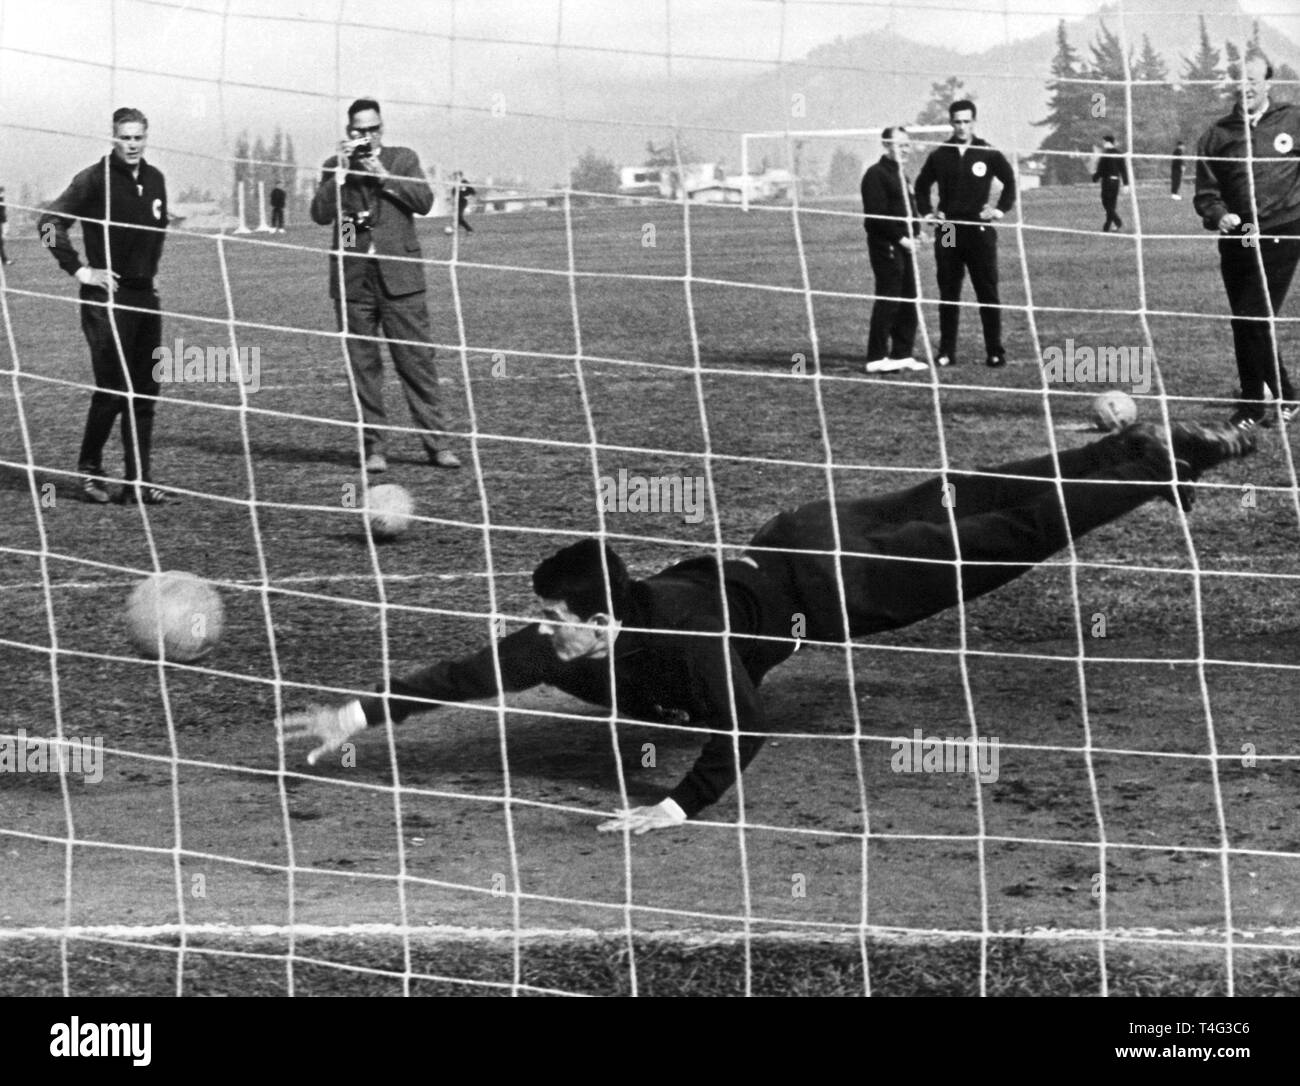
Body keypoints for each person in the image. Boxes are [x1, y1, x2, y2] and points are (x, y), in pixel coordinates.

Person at [281, 420, 1254, 834]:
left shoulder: (685, 644)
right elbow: (458, 676)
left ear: (598, 621)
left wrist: (668, 809)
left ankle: (1151, 465)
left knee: (1007, 535)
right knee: (975, 494)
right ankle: (1138, 452)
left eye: (554, 617)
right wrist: (355, 718)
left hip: (840, 580)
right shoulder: (572, 639)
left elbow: (743, 730)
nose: (540, 630)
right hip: (798, 533)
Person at [309, 98, 459, 473]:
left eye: (373, 129)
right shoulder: (335, 166)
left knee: (417, 363)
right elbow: (322, 216)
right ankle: (374, 447)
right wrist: (340, 174)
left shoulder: (403, 158)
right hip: (355, 281)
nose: (367, 136)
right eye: (360, 131)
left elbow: (424, 202)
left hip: (401, 279)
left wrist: (385, 178)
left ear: (382, 128)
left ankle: (437, 444)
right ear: (348, 133)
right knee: (364, 367)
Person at [38, 107, 171, 505]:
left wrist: (149, 271)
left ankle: (138, 482)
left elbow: (155, 230)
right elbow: (47, 224)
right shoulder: (94, 179)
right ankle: (90, 469)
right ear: (113, 138)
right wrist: (80, 271)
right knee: (114, 389)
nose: (131, 144)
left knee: (146, 391)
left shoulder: (156, 179)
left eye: (138, 137)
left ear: (146, 138)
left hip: (144, 297)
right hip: (105, 298)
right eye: (124, 137)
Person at [1193, 52, 1300, 430]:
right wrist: (1219, 214)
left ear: (1268, 82)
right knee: (1244, 320)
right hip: (1238, 237)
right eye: (1240, 80)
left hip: (1283, 231)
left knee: (1251, 314)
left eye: (1254, 79)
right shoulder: (1216, 134)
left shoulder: (1293, 119)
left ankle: (1285, 396)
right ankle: (1253, 405)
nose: (1247, 87)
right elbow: (1205, 193)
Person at [914, 100, 1017, 368]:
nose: (962, 126)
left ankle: (995, 351)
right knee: (948, 290)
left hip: (978, 229)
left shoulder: (987, 152)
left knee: (987, 291)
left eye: (966, 121)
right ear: (951, 123)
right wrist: (928, 214)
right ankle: (946, 352)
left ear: (974, 122)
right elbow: (921, 186)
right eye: (957, 121)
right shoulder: (940, 154)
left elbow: (1010, 182)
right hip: (948, 229)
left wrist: (998, 210)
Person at [861, 127, 925, 373]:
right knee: (889, 297)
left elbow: (908, 209)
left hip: (905, 245)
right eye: (899, 145)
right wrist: (901, 238)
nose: (905, 149)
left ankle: (902, 354)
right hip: (886, 246)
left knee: (909, 297)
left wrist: (917, 234)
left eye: (907, 144)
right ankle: (876, 356)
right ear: (886, 146)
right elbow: (877, 216)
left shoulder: (902, 175)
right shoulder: (875, 175)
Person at [1092, 134, 1129, 232]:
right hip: (1116, 181)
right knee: (1112, 205)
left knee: (1106, 204)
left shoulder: (1106, 154)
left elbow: (1101, 169)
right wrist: (1126, 184)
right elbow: (1123, 170)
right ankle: (1106, 227)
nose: (1103, 144)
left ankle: (1118, 222)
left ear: (1108, 142)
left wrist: (1095, 177)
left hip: (1107, 182)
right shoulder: (1119, 154)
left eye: (1104, 142)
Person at [0, 186, 12, 265]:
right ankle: (4, 259)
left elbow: (2, 214)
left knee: (1, 242)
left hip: (1, 222)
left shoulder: (2, 200)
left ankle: (4, 259)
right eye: (1, 192)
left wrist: (5, 222)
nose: (2, 194)